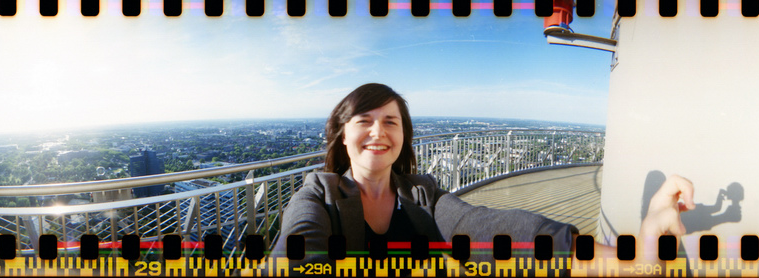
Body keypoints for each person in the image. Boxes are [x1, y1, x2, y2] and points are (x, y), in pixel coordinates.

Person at [271, 83, 696, 275]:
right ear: (343, 135)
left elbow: (486, 229)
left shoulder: (423, 193)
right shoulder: (318, 195)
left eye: (391, 121)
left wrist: (637, 258)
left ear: (404, 135)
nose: (379, 132)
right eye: (365, 121)